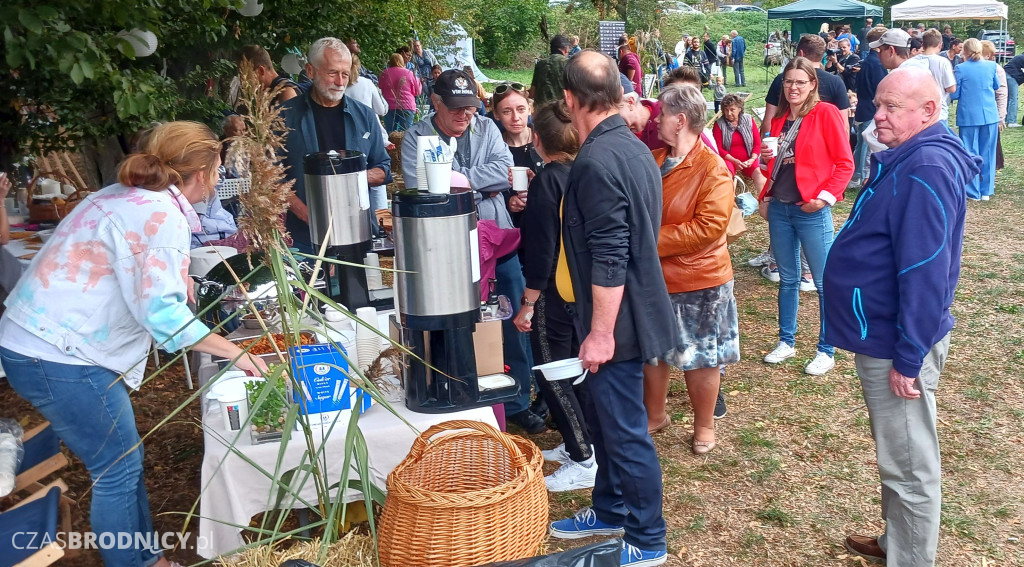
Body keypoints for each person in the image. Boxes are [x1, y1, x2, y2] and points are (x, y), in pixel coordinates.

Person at [0, 121, 269, 567]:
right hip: (58, 354)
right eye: (218, 169)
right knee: (117, 469)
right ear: (199, 173)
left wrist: (178, 277)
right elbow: (162, 317)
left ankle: (149, 558)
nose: (220, 179)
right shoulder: (158, 215)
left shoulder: (122, 196)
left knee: (124, 459)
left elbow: (127, 265)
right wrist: (235, 352)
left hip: (37, 342)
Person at [824, 67, 981, 567]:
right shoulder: (913, 155)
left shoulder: (926, 167)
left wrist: (909, 356)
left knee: (909, 464)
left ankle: (910, 559)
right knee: (899, 453)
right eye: (879, 104)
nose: (878, 115)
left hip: (897, 342)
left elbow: (925, 270)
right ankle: (898, 541)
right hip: (889, 335)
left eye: (893, 107)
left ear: (929, 112)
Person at [547, 50, 675, 567]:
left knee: (624, 433)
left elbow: (610, 255)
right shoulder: (632, 146)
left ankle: (647, 540)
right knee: (603, 423)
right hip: (627, 313)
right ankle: (610, 508)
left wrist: (600, 333)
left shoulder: (598, 160)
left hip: (619, 322)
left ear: (570, 100)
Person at [401, 70, 541, 432]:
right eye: (456, 109)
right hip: (442, 246)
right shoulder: (417, 135)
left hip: (496, 241)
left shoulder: (486, 127)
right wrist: (480, 185)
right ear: (435, 103)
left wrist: (456, 179)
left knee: (510, 318)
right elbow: (424, 189)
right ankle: (461, 394)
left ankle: (517, 400)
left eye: (470, 108)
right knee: (456, 321)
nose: (465, 116)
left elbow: (503, 171)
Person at [642, 84, 739, 451]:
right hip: (658, 278)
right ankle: (655, 415)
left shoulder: (713, 169)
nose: (657, 120)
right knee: (654, 351)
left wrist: (647, 241)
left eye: (662, 114)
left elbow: (708, 227)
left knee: (701, 357)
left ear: (680, 120)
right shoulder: (650, 159)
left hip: (701, 279)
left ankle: (704, 426)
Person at [512, 100, 596, 492]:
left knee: (552, 373)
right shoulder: (583, 171)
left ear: (536, 139)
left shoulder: (547, 180)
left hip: (551, 293)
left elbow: (542, 250)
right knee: (576, 370)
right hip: (581, 288)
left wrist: (528, 302)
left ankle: (583, 457)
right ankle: (577, 439)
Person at [758, 57, 853, 376]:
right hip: (782, 207)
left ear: (813, 84)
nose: (793, 87)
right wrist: (765, 170)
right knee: (787, 279)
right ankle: (787, 341)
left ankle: (826, 349)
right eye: (788, 82)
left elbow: (845, 163)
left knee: (824, 282)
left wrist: (824, 199)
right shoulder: (779, 118)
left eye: (800, 81)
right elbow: (769, 163)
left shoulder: (824, 113)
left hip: (811, 209)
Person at [280, 38, 392, 256]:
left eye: (345, 74)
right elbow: (272, 178)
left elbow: (384, 167)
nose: (341, 82)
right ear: (310, 71)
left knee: (358, 289)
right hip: (304, 237)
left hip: (358, 232)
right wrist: (310, 217)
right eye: (332, 73)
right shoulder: (283, 117)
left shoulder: (365, 116)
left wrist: (356, 177)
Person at [761, 34, 850, 138]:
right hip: (822, 142)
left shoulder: (782, 79)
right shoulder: (836, 82)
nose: (794, 86)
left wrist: (769, 145)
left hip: (785, 142)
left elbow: (768, 121)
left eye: (801, 83)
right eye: (789, 82)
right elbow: (844, 127)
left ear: (801, 53)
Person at [951, 38, 1001, 201]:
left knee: (970, 152)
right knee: (988, 151)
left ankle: (973, 191)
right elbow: (996, 85)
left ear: (964, 51)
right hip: (989, 114)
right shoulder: (991, 66)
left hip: (969, 116)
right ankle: (987, 190)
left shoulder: (960, 68)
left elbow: (955, 94)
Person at [852, 26, 889, 185]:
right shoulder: (877, 64)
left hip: (862, 106)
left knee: (862, 144)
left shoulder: (867, 61)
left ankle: (855, 175)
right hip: (870, 109)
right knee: (867, 146)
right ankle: (862, 176)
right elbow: (882, 89)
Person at [714, 93, 766, 195]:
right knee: (726, 177)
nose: (729, 113)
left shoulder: (749, 120)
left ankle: (764, 202)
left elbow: (757, 143)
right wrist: (734, 161)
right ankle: (730, 204)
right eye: (726, 110)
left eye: (732, 109)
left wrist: (752, 159)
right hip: (729, 160)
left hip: (748, 160)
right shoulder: (719, 124)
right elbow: (719, 148)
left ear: (739, 109)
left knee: (759, 174)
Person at [900, 29, 957, 122]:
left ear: (923, 44)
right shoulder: (943, 62)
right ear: (940, 45)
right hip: (938, 113)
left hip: (915, 112)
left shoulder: (908, 63)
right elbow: (951, 88)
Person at [379, 53, 422, 133]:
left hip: (389, 106)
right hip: (407, 106)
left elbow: (381, 87)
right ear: (402, 61)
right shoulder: (409, 73)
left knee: (390, 133)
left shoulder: (384, 73)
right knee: (406, 133)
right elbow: (418, 91)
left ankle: (392, 145)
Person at [981, 40, 1008, 170]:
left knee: (992, 146)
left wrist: (1001, 117)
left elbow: (1001, 94)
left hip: (992, 114)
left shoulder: (997, 70)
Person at [529, 35, 572, 107]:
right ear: (566, 49)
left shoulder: (540, 63)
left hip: (541, 112)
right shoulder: (568, 63)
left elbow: (532, 93)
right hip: (561, 111)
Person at [411, 39, 438, 103]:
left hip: (431, 76)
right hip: (422, 79)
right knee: (424, 96)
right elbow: (414, 69)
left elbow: (435, 62)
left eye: (418, 45)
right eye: (415, 46)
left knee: (434, 94)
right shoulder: (414, 57)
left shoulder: (428, 53)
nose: (417, 47)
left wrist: (437, 73)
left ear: (421, 45)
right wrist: (418, 78)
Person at [1003, 53, 1024, 126]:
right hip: (1011, 76)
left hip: (1006, 74)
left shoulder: (1021, 57)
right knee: (1013, 98)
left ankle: (1006, 119)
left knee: (1008, 98)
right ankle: (1011, 121)